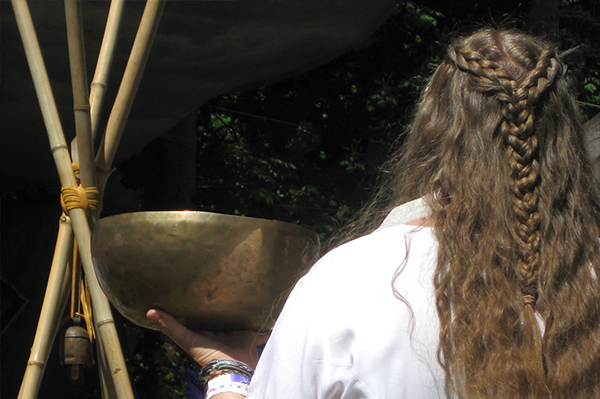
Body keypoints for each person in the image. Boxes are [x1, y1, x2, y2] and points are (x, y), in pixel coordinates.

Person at [146, 28, 600, 399]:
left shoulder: (348, 281)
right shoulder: (589, 275)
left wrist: (228, 372)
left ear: (430, 128)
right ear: (567, 140)